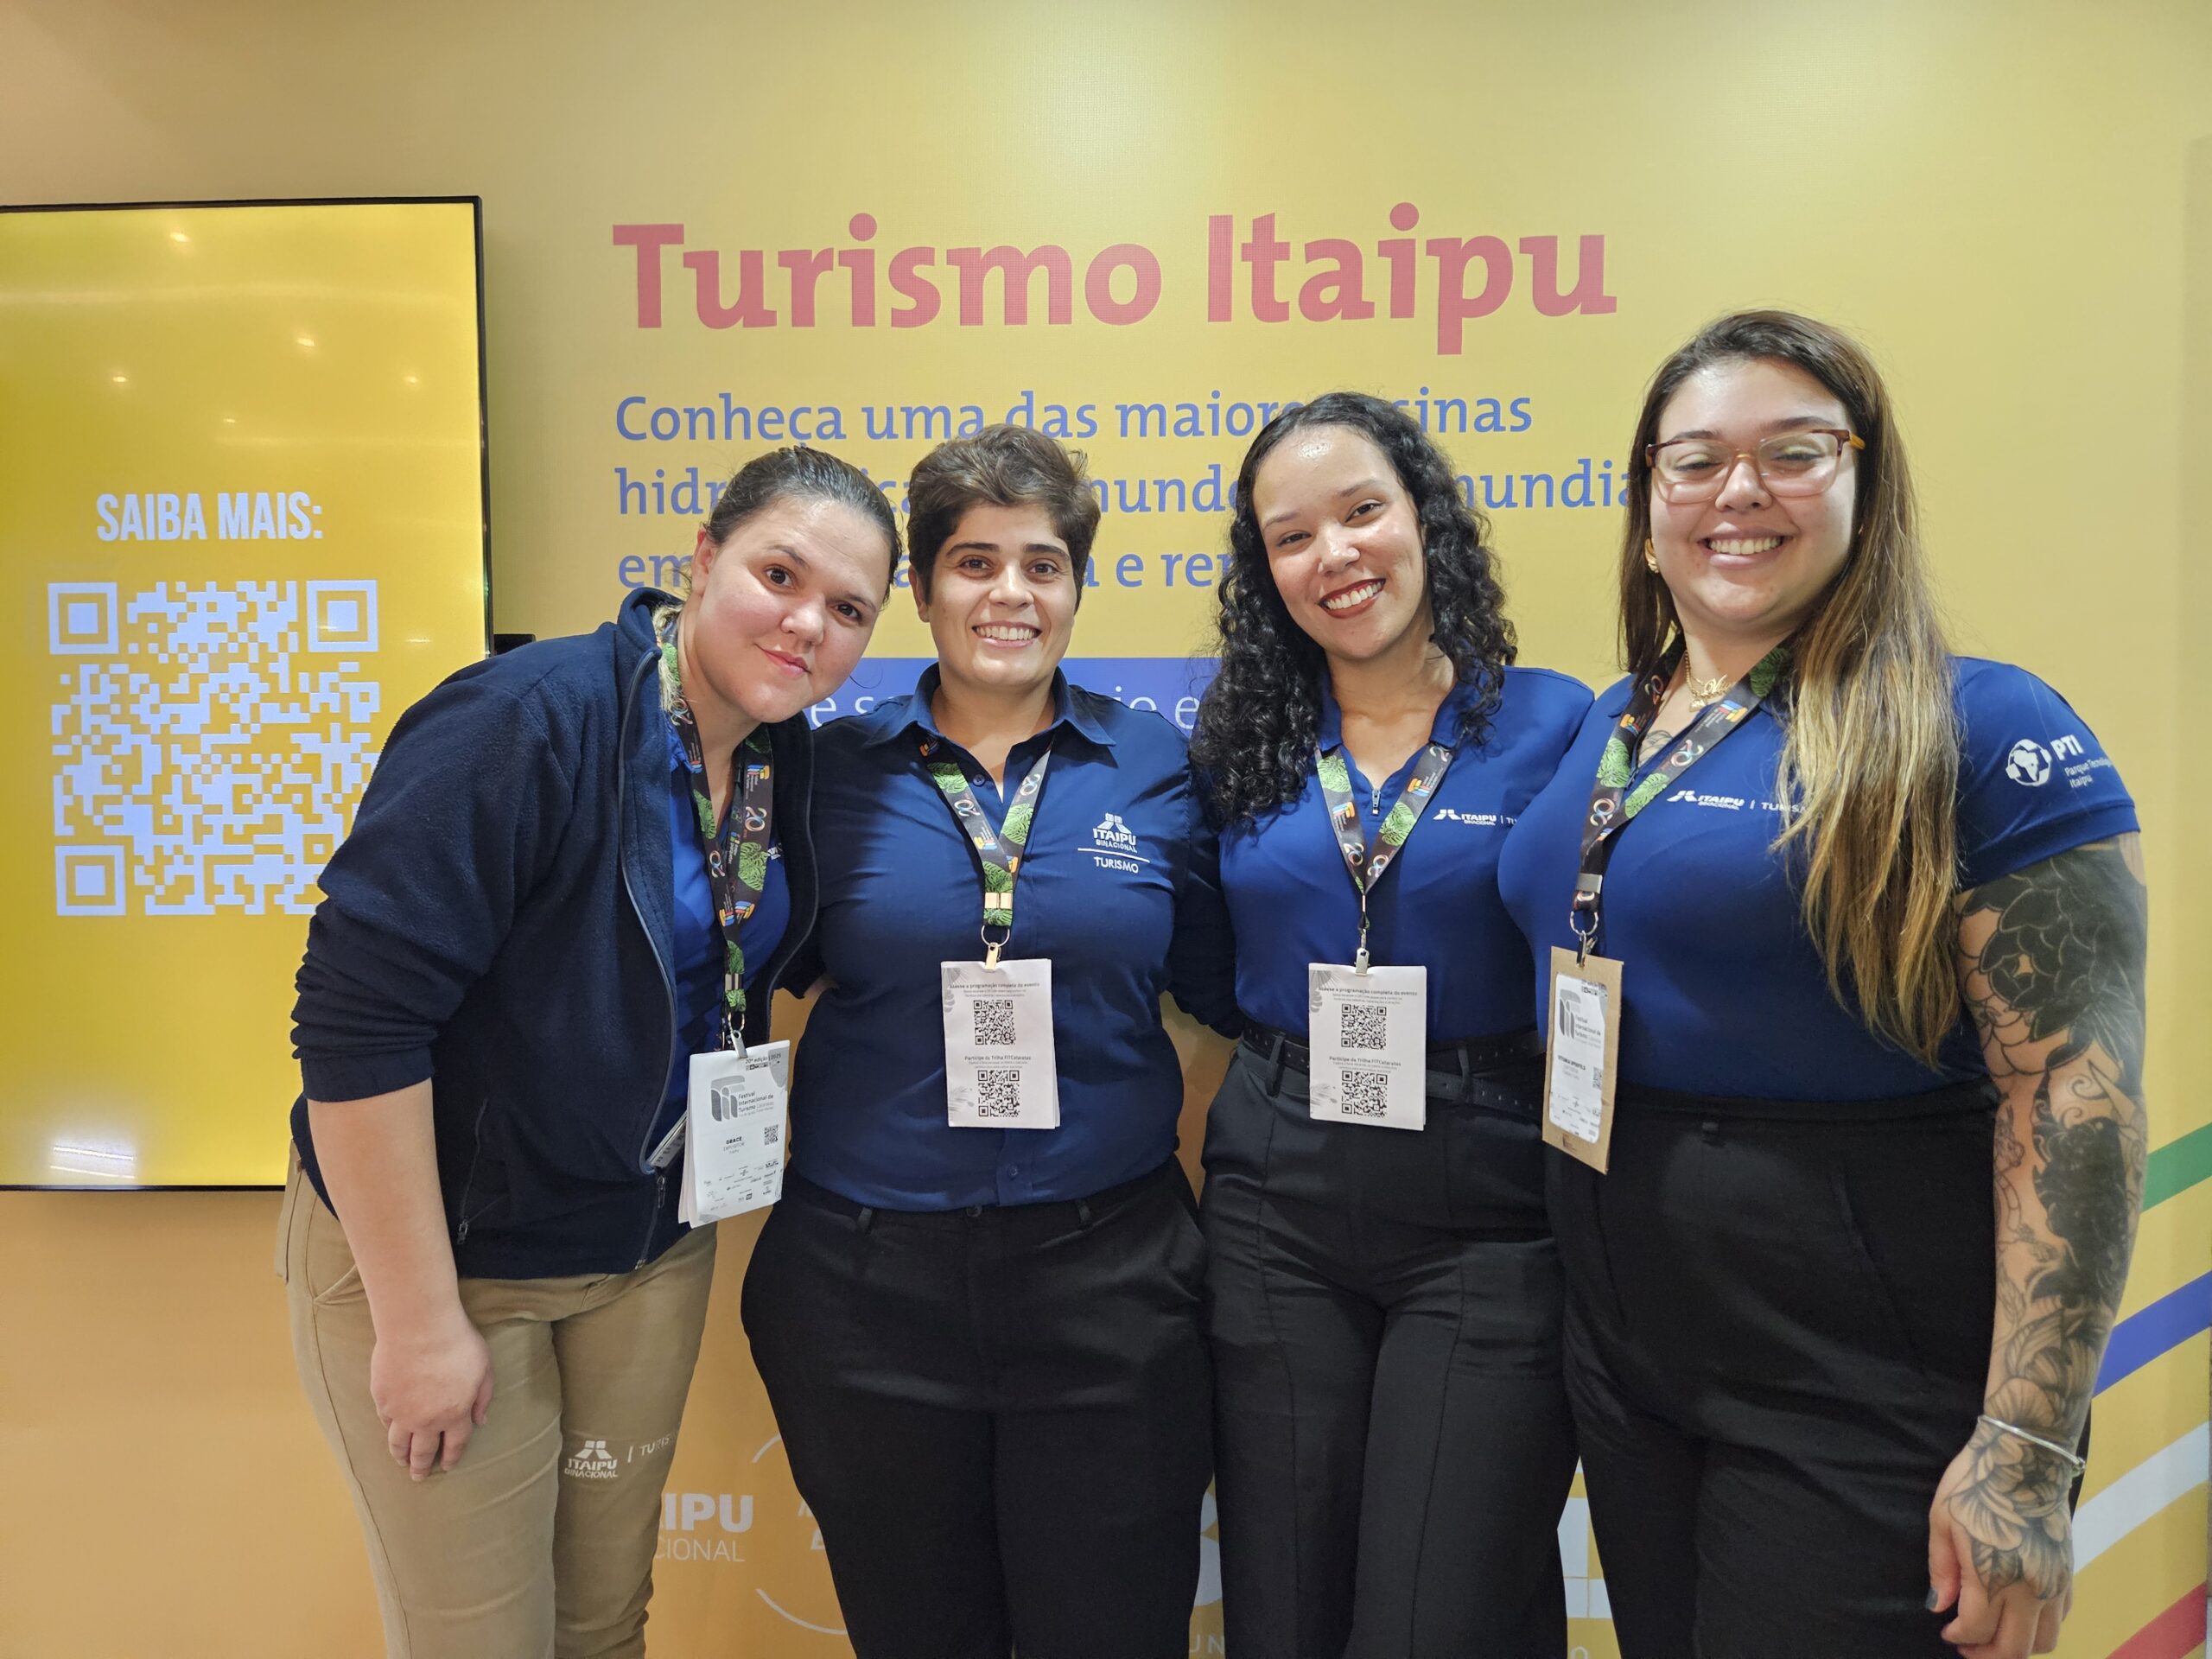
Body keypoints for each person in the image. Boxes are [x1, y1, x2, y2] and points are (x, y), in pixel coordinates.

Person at [1497, 310, 2147, 1659]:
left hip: (1853, 1358)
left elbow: (2074, 1096)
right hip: (1627, 1342)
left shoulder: (1980, 725)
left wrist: (2026, 1451)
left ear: (1866, 480)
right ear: (1647, 504)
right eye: (1695, 462)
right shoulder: (1614, 723)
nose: (1738, 492)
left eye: (1792, 453)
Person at [283, 446, 899, 1659]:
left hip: (644, 1250)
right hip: (453, 1263)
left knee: (604, 1625)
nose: (806, 625)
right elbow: (356, 1023)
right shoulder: (524, 722)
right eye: (780, 576)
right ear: (703, 558)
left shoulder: (777, 753)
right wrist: (419, 1324)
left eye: (848, 610)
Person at [741, 423, 1237, 1659]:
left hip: (1109, 1283)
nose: (1010, 593)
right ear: (919, 590)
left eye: (1042, 565)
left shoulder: (1154, 765)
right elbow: (755, 964)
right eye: (974, 563)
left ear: (1076, 586)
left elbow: (1221, 978)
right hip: (868, 1293)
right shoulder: (823, 772)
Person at [1185, 391, 1590, 1658]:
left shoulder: (1557, 722)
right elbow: (1204, 956)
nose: (1336, 555)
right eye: (1292, 536)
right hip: (1275, 1192)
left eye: (1362, 511)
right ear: (1266, 570)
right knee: (1284, 1606)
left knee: (1434, 1613)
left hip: (1486, 1199)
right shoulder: (1243, 739)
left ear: (1427, 519)